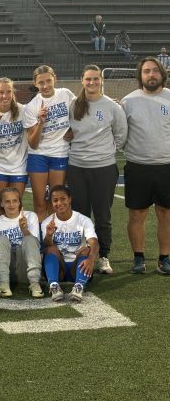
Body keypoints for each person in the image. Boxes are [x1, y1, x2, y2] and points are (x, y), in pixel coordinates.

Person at [67, 65, 127, 275]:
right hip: (77, 167)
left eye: (95, 79)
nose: (91, 83)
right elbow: (67, 132)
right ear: (82, 81)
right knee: (81, 214)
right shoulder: (74, 104)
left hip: (103, 168)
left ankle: (103, 256)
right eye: (88, 79)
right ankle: (83, 253)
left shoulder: (112, 107)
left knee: (102, 215)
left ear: (101, 81)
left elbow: (121, 135)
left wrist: (104, 152)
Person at [120, 57, 170, 274]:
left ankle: (164, 259)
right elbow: (120, 135)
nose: (151, 74)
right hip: (137, 166)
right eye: (146, 71)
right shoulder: (128, 102)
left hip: (166, 166)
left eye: (155, 71)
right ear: (140, 76)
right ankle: (138, 258)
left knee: (166, 214)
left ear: (162, 74)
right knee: (136, 215)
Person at [23, 65, 76, 221]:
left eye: (48, 81)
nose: (45, 86)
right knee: (39, 204)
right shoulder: (31, 107)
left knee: (56, 203)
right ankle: (41, 240)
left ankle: (54, 238)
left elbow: (80, 112)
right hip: (38, 155)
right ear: (35, 83)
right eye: (41, 82)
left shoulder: (66, 94)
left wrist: (73, 130)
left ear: (55, 79)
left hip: (60, 154)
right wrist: (41, 122)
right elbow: (33, 144)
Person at [41, 185, 99, 302]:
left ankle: (79, 286)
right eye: (55, 200)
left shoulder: (83, 220)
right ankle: (54, 286)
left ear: (70, 199)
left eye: (63, 199)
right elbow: (46, 247)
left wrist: (91, 259)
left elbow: (94, 243)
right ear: (51, 203)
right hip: (59, 269)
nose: (59, 203)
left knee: (86, 250)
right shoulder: (47, 222)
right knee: (51, 249)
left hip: (76, 266)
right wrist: (49, 235)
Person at [0, 78, 28, 216]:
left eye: (8, 92)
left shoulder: (23, 110)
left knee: (17, 208)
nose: (5, 95)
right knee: (1, 208)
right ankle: (1, 238)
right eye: (1, 92)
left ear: (13, 93)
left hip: (19, 167)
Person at [0, 187, 43, 298]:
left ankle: (34, 284)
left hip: (25, 267)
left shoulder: (30, 216)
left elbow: (35, 245)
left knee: (29, 239)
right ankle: (4, 284)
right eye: (7, 201)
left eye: (15, 200)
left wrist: (24, 229)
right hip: (7, 268)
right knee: (0, 240)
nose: (11, 205)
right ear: (1, 204)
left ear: (19, 202)